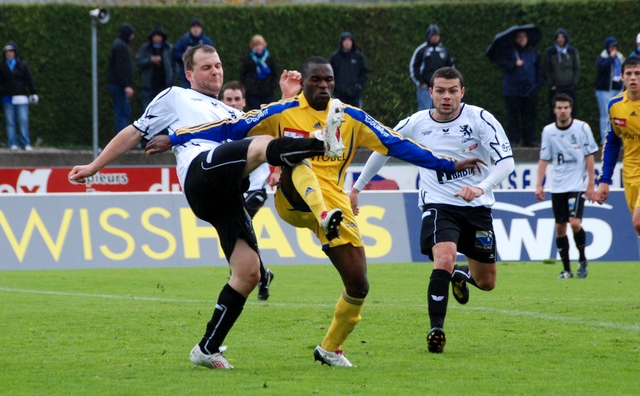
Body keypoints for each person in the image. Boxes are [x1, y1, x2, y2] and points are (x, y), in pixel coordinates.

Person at [147, 56, 483, 366]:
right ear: (304, 83)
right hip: (295, 198)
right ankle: (321, 202)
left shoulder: (351, 117)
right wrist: (174, 139)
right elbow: (228, 127)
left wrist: (447, 164)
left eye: (328, 80)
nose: (322, 85)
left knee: (359, 284)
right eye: (315, 80)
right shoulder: (281, 111)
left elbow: (396, 143)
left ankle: (330, 348)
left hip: (336, 206)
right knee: (296, 155)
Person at [68, 45, 339, 370]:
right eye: (207, 66)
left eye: (218, 65)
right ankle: (323, 145)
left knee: (248, 273)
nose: (215, 71)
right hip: (201, 173)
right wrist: (94, 166)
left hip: (224, 193)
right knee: (262, 145)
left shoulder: (231, 113)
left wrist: (285, 97)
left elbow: (267, 127)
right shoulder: (176, 96)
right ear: (189, 73)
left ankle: (207, 348)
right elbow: (134, 131)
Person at [350, 67, 513, 354]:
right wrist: (357, 188)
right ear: (430, 93)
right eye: (440, 91)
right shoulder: (416, 123)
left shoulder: (480, 119)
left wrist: (480, 188)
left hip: (476, 208)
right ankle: (436, 330)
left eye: (452, 91)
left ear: (462, 92)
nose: (446, 96)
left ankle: (461, 276)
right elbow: (383, 148)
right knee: (445, 258)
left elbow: (506, 162)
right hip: (439, 205)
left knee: (487, 282)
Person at [220, 80, 279, 300]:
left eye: (237, 99)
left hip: (255, 190)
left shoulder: (254, 125)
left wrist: (277, 170)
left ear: (244, 102)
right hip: (232, 193)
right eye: (229, 99)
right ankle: (262, 274)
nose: (233, 103)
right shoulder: (217, 128)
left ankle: (239, 273)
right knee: (240, 234)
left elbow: (275, 143)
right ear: (222, 101)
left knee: (237, 230)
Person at [535, 94, 597, 279]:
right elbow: (544, 158)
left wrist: (591, 184)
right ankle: (567, 269)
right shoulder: (548, 131)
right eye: (559, 108)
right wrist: (539, 184)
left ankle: (583, 260)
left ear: (571, 109)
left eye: (566, 108)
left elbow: (590, 156)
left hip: (577, 185)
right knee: (560, 227)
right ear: (554, 110)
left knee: (575, 223)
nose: (563, 111)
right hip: (558, 186)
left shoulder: (582, 128)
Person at [596, 55, 640, 240]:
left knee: (638, 221)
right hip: (630, 171)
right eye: (629, 73)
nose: (633, 78)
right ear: (622, 77)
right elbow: (612, 143)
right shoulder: (615, 105)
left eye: (637, 73)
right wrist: (605, 180)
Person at [499, 29, 542, 147]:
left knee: (529, 117)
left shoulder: (533, 52)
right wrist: (513, 64)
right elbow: (502, 64)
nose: (522, 39)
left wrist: (537, 86)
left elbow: (539, 70)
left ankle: (529, 140)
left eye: (524, 36)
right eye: (519, 37)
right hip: (512, 91)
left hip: (530, 91)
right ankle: (513, 140)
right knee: (513, 117)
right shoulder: (510, 52)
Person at [0, 42, 38, 151]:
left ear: (15, 53)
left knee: (23, 120)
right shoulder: (2, 66)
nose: (9, 54)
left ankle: (25, 143)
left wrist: (33, 92)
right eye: (7, 52)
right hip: (7, 98)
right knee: (10, 122)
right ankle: (12, 143)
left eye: (11, 52)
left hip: (21, 98)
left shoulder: (22, 65)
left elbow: (29, 79)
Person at [409, 24, 453, 111]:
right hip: (426, 88)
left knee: (443, 111)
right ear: (429, 36)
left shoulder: (444, 50)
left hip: (441, 87)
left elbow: (450, 67)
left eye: (437, 35)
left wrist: (449, 82)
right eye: (433, 35)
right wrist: (420, 83)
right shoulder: (422, 50)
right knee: (424, 112)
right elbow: (413, 67)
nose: (436, 38)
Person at [543, 28, 580, 119]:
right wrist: (551, 84)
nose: (560, 39)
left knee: (571, 110)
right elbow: (547, 69)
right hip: (556, 88)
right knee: (555, 111)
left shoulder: (572, 52)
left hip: (569, 87)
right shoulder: (550, 52)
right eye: (558, 37)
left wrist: (574, 84)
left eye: (562, 37)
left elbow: (576, 68)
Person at [135, 26, 175, 109]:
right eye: (155, 36)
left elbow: (174, 66)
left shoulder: (169, 48)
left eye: (159, 36)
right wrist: (150, 60)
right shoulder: (145, 48)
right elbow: (138, 62)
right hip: (149, 87)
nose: (157, 38)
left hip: (164, 86)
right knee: (148, 110)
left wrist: (171, 80)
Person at [595, 36, 624, 145]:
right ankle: (605, 139)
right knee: (606, 115)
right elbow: (602, 68)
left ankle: (619, 138)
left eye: (615, 46)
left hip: (618, 88)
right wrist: (611, 58)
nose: (614, 49)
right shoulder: (602, 58)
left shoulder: (620, 57)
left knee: (619, 114)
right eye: (612, 47)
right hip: (605, 90)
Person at [108, 23, 136, 135]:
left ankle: (122, 137)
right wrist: (126, 85)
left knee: (122, 112)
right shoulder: (121, 46)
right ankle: (123, 138)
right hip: (120, 86)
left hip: (117, 85)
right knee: (123, 112)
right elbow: (121, 68)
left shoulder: (119, 45)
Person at [329, 31, 368, 108]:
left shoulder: (358, 57)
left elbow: (364, 73)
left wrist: (359, 86)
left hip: (355, 96)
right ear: (341, 42)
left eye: (349, 40)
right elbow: (330, 73)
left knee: (356, 115)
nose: (347, 43)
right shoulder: (335, 57)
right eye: (345, 40)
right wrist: (335, 87)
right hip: (339, 96)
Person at [239, 34, 278, 110]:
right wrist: (247, 87)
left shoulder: (269, 58)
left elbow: (275, 73)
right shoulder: (248, 58)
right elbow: (243, 73)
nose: (258, 47)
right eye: (255, 45)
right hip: (252, 92)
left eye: (260, 45)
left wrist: (272, 86)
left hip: (267, 91)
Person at [173, 18, 214, 88]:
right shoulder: (184, 40)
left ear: (201, 29)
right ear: (190, 28)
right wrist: (186, 55)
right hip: (187, 77)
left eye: (198, 27)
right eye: (194, 27)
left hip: (203, 76)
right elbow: (174, 55)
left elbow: (212, 57)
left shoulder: (206, 41)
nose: (196, 29)